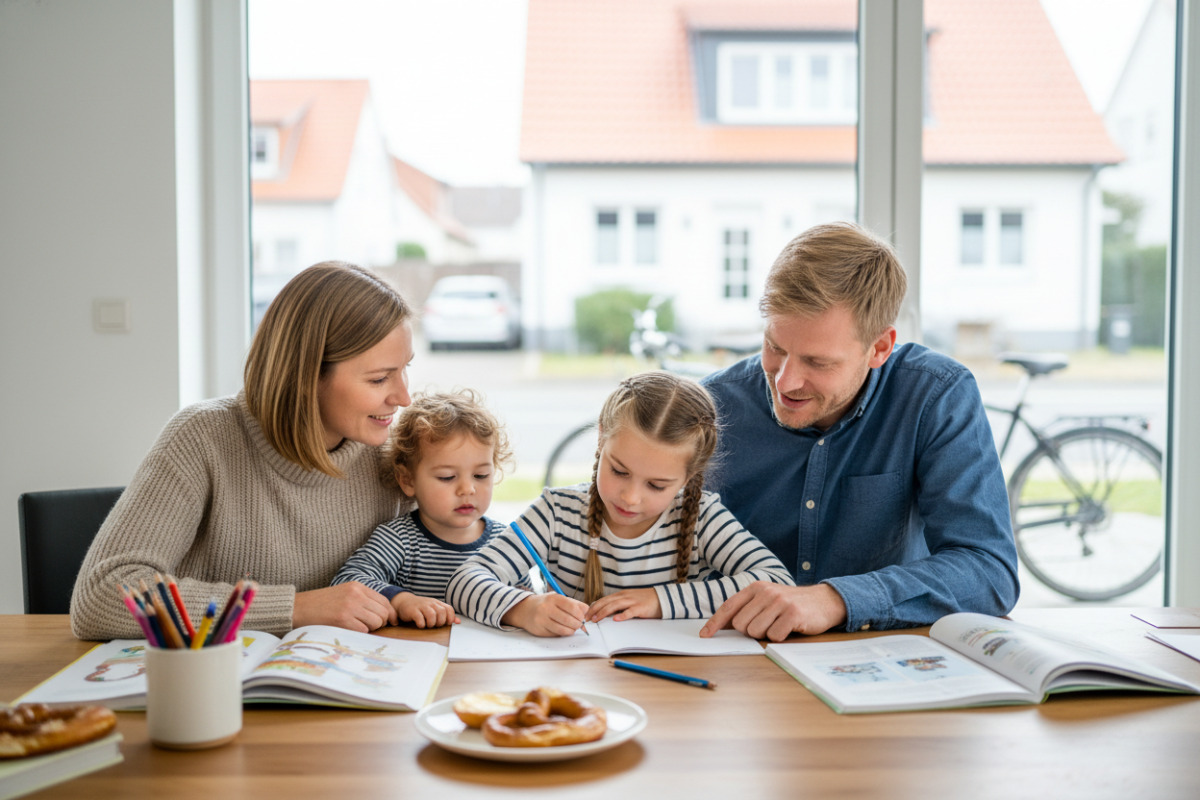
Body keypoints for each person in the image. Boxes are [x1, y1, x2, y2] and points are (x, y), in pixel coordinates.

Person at [697, 221, 1019, 642]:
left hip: (880, 667)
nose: (785, 382)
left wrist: (836, 599)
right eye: (776, 347)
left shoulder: (935, 396)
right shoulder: (713, 407)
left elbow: (988, 569)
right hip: (735, 664)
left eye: (818, 362)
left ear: (880, 348)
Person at [70, 262, 415, 640]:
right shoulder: (202, 437)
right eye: (380, 378)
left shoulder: (392, 458)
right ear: (306, 374)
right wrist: (296, 608)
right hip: (211, 684)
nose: (403, 397)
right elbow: (101, 597)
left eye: (404, 370)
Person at [447, 371, 794, 637]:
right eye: (619, 471)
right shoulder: (556, 512)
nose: (630, 497)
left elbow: (777, 584)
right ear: (601, 437)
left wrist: (658, 601)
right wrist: (524, 609)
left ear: (690, 476)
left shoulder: (703, 517)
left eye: (657, 485)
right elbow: (465, 580)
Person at [331, 389, 526, 629]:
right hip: (418, 656)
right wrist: (402, 600)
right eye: (447, 477)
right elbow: (347, 581)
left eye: (480, 475)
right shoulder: (399, 539)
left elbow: (526, 596)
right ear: (408, 481)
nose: (467, 489)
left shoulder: (505, 542)